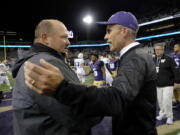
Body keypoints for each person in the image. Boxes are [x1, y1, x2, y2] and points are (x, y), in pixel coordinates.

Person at [24, 11, 158, 135]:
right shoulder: (134, 55)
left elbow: (117, 99)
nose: (105, 36)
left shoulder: (135, 57)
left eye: (109, 31)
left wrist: (62, 88)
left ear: (123, 31)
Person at [12, 19, 100, 135]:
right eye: (64, 37)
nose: (68, 42)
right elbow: (77, 114)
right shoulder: (46, 62)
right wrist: (101, 106)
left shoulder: (33, 60)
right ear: (45, 38)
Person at [154, 43, 180, 124]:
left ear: (163, 50)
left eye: (159, 49)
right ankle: (162, 114)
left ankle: (169, 117)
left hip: (168, 84)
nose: (157, 51)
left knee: (167, 101)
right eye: (156, 50)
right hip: (158, 84)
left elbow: (176, 71)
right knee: (160, 101)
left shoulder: (169, 59)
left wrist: (176, 81)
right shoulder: (154, 60)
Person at [172, 43, 180, 108]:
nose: (174, 48)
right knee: (175, 89)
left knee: (175, 88)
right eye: (174, 47)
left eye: (176, 47)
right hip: (175, 74)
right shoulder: (174, 55)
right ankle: (177, 101)